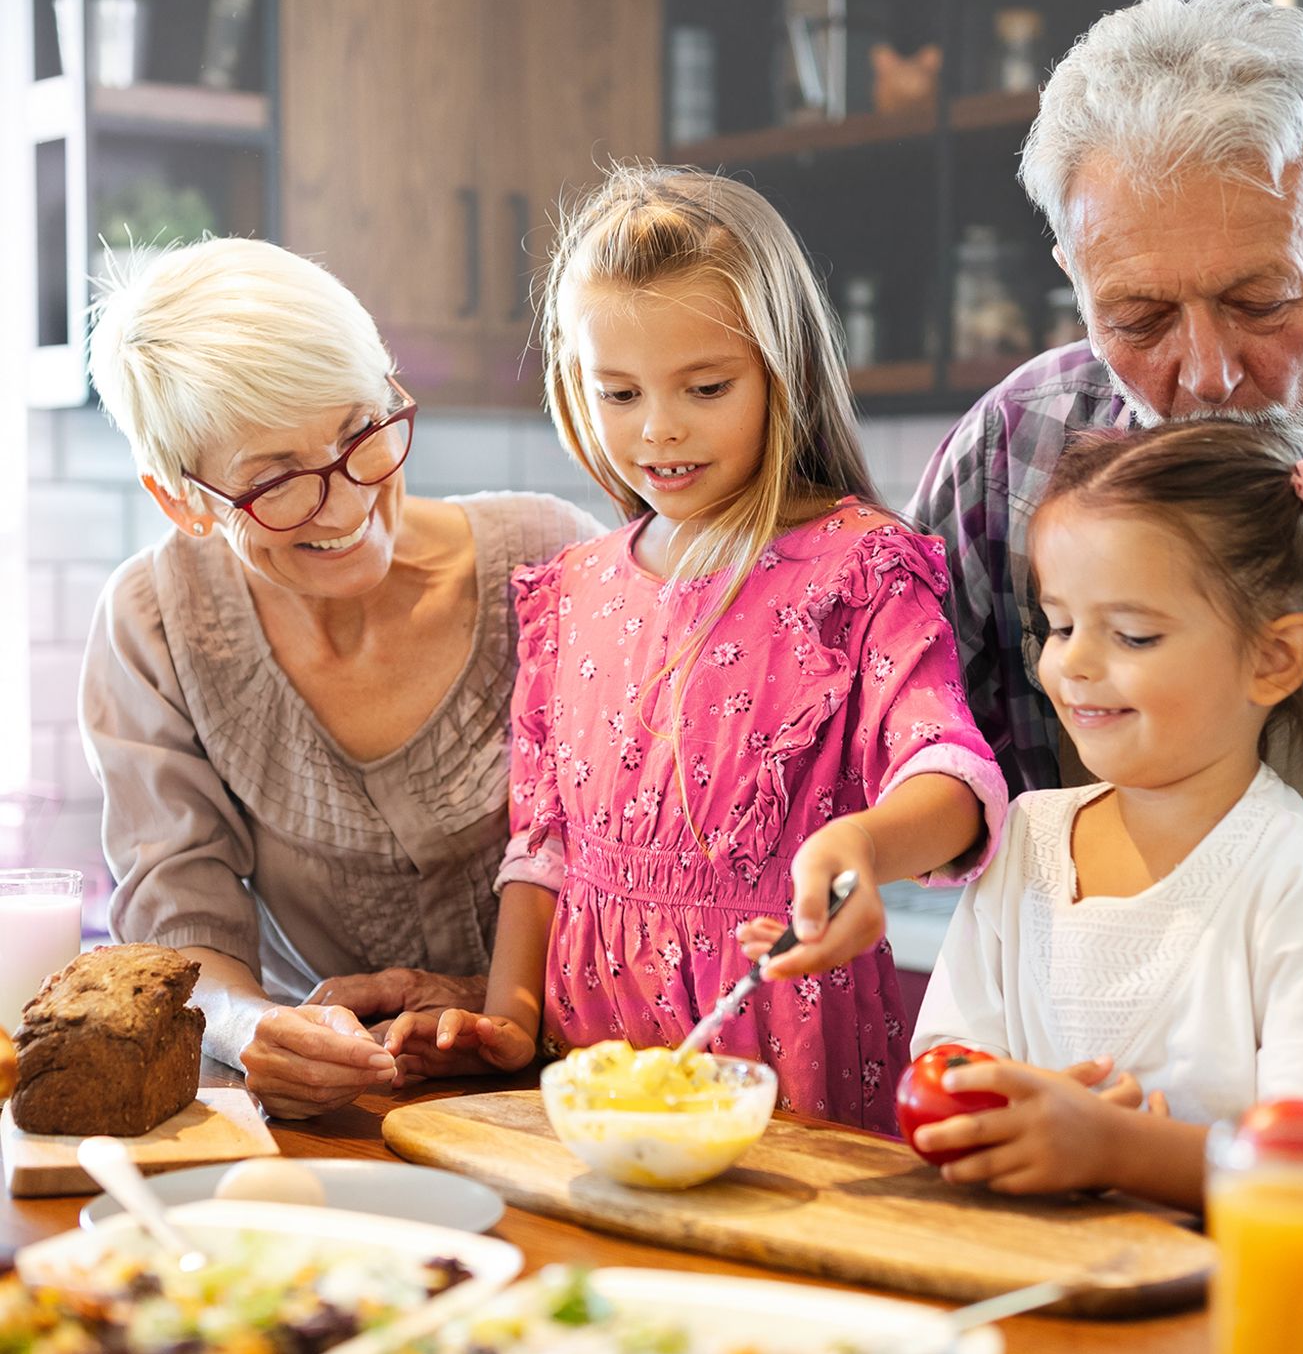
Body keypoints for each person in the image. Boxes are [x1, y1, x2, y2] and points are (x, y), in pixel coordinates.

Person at [913, 0, 1303, 1108]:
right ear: (1074, 275)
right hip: (1082, 1199)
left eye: (1262, 299)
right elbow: (927, 759)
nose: (1211, 373)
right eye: (1136, 316)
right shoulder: (1015, 454)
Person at [389, 164, 1006, 1131]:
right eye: (619, 392)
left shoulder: (862, 568)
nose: (659, 428)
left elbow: (951, 775)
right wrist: (508, 1017)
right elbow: (542, 845)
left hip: (788, 1052)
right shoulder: (569, 592)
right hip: (588, 1056)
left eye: (706, 387)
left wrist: (862, 847)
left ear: (782, 369)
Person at [82, 237, 600, 1119]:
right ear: (181, 499)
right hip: (327, 1110)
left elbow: (653, 866)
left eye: (361, 432)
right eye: (279, 480)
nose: (353, 504)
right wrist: (251, 1030)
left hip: (581, 1098)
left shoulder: (553, 562)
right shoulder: (155, 623)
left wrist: (498, 996)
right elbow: (181, 920)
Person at [908, 419, 1303, 1209]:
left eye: (1134, 635)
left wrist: (1115, 1148)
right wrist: (995, 1103)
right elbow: (945, 1059)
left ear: (1274, 657)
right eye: (1060, 626)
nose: (1074, 662)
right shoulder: (1026, 841)